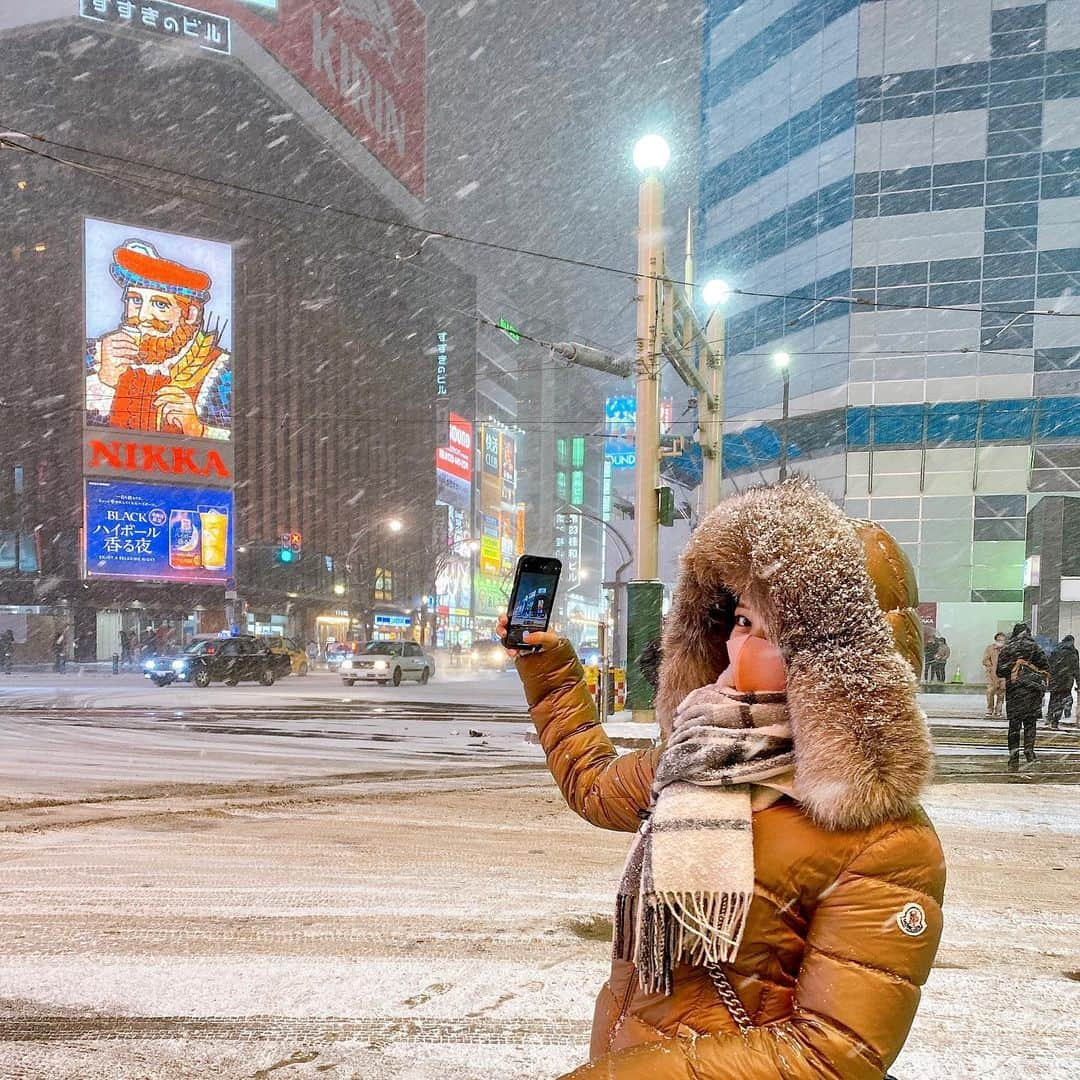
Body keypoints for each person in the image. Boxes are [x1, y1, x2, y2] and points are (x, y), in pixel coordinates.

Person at [500, 479, 943, 1079]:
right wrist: (548, 667)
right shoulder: (699, 755)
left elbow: (831, 1055)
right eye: (738, 619)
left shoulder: (886, 841)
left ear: (833, 664)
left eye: (773, 632)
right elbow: (594, 783)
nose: (741, 645)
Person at [85, 239, 230, 439]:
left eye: (160, 305)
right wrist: (104, 381)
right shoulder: (93, 355)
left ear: (191, 314)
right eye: (135, 300)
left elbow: (246, 446)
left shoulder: (222, 372)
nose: (143, 316)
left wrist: (199, 430)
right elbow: (66, 432)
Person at [997, 623, 1050, 771]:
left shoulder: (1008, 648)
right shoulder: (1035, 647)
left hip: (1015, 692)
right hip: (1032, 692)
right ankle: (1029, 751)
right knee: (1030, 724)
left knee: (1014, 726)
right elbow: (1045, 668)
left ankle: (1013, 758)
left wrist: (1014, 667)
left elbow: (999, 672)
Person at [1047, 635, 1079, 730]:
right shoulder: (1073, 652)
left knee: (1053, 698)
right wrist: (1078, 681)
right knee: (1063, 699)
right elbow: (1076, 668)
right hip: (1066, 680)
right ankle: (1057, 719)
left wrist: (1050, 676)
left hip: (1055, 679)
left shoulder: (1055, 650)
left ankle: (1049, 716)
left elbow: (1049, 664)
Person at [982, 632, 1007, 717]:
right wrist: (991, 667)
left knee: (1001, 693)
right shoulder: (990, 648)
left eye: (1003, 640)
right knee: (990, 692)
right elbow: (985, 660)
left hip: (1003, 675)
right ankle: (990, 709)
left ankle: (998, 710)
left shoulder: (1007, 649)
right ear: (996, 640)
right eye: (999, 640)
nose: (1001, 642)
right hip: (991, 675)